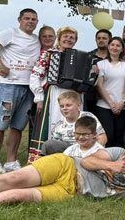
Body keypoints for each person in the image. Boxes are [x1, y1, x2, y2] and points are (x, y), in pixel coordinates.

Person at [0, 138, 125, 203]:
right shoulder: (117, 153)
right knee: (14, 179)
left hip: (71, 191)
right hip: (66, 166)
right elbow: (86, 161)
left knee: (16, 195)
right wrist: (111, 165)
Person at [29, 27, 83, 161]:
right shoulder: (48, 54)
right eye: (65, 36)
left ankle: (70, 158)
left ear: (75, 41)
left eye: (72, 37)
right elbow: (35, 75)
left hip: (73, 96)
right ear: (59, 38)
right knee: (52, 125)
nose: (68, 39)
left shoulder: (80, 57)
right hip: (54, 94)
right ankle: (45, 159)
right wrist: (39, 97)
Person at [0, 8, 41, 173]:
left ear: (37, 22)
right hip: (8, 85)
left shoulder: (36, 39)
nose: (30, 21)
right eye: (27, 18)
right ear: (19, 20)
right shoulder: (10, 33)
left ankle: (11, 161)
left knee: (18, 126)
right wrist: (1, 66)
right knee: (0, 124)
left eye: (33, 19)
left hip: (28, 87)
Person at [38, 90, 107, 155]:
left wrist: (91, 152)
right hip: (68, 152)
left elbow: (102, 137)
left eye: (68, 105)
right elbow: (55, 144)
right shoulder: (59, 125)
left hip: (88, 150)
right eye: (61, 106)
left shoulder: (88, 117)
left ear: (78, 105)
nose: (64, 108)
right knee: (49, 144)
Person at [94, 36, 125, 147]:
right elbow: (99, 85)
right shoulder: (101, 64)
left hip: (123, 107)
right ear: (108, 46)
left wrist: (122, 103)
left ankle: (118, 157)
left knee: (119, 136)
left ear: (122, 49)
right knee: (108, 135)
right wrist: (111, 104)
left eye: (118, 45)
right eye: (112, 45)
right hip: (104, 106)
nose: (115, 48)